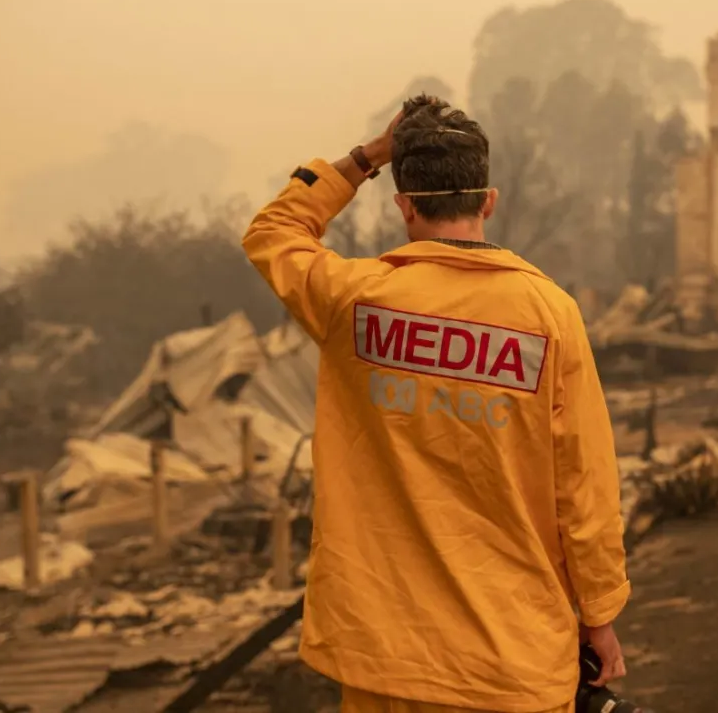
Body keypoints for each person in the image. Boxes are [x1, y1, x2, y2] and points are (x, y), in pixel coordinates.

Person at [242, 95, 629, 713]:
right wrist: (600, 613)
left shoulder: (354, 301)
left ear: (404, 206)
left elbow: (273, 232)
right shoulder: (549, 315)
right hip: (514, 660)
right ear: (488, 200)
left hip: (384, 658)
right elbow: (584, 484)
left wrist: (367, 156)